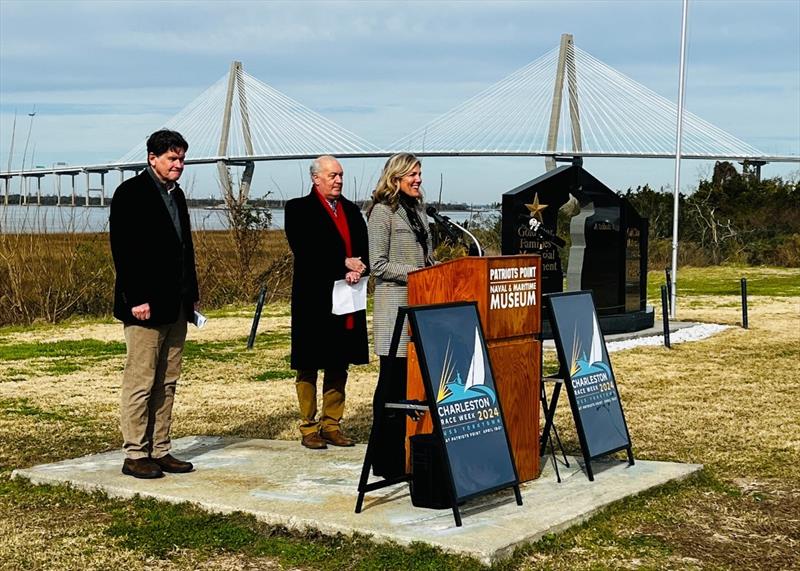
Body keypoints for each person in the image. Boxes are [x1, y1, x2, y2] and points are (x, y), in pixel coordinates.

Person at [109, 129, 199, 479]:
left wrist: (191, 294)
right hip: (145, 305)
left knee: (167, 380)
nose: (179, 165)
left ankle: (160, 449)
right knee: (141, 380)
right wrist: (136, 299)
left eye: (181, 159)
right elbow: (125, 251)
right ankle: (135, 453)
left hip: (175, 304)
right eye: (172, 159)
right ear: (152, 158)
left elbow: (184, 249)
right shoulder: (130, 193)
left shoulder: (176, 196)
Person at [284, 155, 370, 450]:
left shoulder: (351, 211)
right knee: (308, 363)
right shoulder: (297, 209)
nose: (338, 180)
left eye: (341, 175)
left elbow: (364, 250)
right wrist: (341, 264)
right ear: (315, 178)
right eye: (332, 175)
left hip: (347, 298)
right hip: (314, 299)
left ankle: (331, 423)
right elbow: (305, 249)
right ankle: (309, 427)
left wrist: (360, 267)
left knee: (339, 360)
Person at [367, 153, 434, 477]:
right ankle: (385, 460)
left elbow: (427, 256)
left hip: (421, 308)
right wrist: (418, 272)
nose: (418, 180)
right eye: (412, 175)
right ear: (395, 179)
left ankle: (410, 455)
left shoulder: (419, 211)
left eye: (419, 174)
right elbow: (377, 265)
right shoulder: (382, 213)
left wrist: (434, 271)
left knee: (415, 387)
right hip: (395, 312)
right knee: (392, 386)